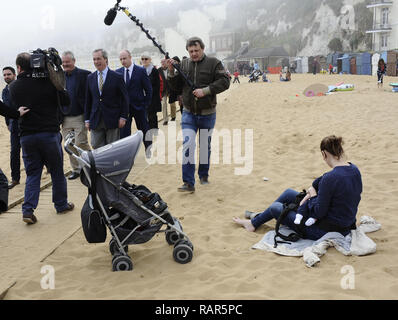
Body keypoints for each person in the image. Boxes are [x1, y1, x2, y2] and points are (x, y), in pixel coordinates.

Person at [233, 135, 362, 241]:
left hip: (324, 230)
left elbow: (319, 212)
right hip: (345, 223)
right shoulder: (353, 169)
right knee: (289, 193)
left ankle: (254, 223)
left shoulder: (331, 178)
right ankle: (256, 221)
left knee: (276, 207)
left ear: (324, 154)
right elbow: (322, 182)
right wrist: (313, 189)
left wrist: (313, 195)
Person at [9, 52, 74, 225]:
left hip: (27, 136)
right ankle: (61, 204)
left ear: (19, 67)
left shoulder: (13, 86)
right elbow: (66, 99)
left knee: (32, 174)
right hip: (49, 134)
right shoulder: (48, 82)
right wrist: (53, 71)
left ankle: (28, 210)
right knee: (57, 171)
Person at [166, 36, 230, 193]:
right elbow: (175, 87)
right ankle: (188, 183)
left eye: (196, 50)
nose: (193, 53)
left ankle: (203, 175)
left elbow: (225, 82)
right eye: (191, 51)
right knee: (188, 144)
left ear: (203, 49)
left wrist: (205, 91)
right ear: (187, 51)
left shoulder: (214, 63)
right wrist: (171, 71)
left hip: (208, 114)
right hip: (188, 113)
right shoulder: (184, 64)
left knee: (204, 147)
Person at [85, 49, 129, 149]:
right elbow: (88, 100)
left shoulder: (117, 77)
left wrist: (123, 117)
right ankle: (102, 165)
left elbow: (125, 99)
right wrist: (87, 119)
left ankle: (112, 164)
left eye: (99, 59)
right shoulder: (90, 78)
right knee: (96, 145)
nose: (96, 62)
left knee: (112, 147)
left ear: (105, 59)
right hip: (95, 119)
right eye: (94, 59)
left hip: (113, 119)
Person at [61, 51, 91, 180]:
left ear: (74, 61)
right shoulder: (59, 76)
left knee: (81, 143)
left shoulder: (85, 74)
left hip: (80, 115)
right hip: (65, 117)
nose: (65, 64)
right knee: (69, 145)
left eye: (68, 61)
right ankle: (76, 170)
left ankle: (91, 165)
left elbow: (90, 96)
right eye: (63, 62)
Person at [116, 50, 152, 150]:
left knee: (144, 129)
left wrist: (145, 105)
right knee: (124, 134)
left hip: (139, 107)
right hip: (124, 110)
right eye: (121, 59)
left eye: (124, 58)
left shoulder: (140, 70)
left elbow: (148, 89)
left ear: (130, 57)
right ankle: (127, 154)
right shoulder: (118, 72)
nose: (123, 61)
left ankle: (149, 149)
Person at [2, 66, 21, 189]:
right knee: (14, 152)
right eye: (4, 75)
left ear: (14, 74)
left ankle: (50, 170)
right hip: (13, 126)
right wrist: (8, 123)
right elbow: (4, 109)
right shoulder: (4, 91)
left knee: (32, 151)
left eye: (8, 74)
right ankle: (15, 179)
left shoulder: (20, 87)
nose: (6, 77)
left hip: (25, 124)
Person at [141, 55, 161, 131]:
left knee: (152, 114)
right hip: (143, 96)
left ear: (150, 60)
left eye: (146, 59)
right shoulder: (140, 70)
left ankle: (154, 129)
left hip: (153, 97)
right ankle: (148, 129)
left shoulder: (154, 70)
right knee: (145, 114)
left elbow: (157, 85)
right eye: (142, 59)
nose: (144, 60)